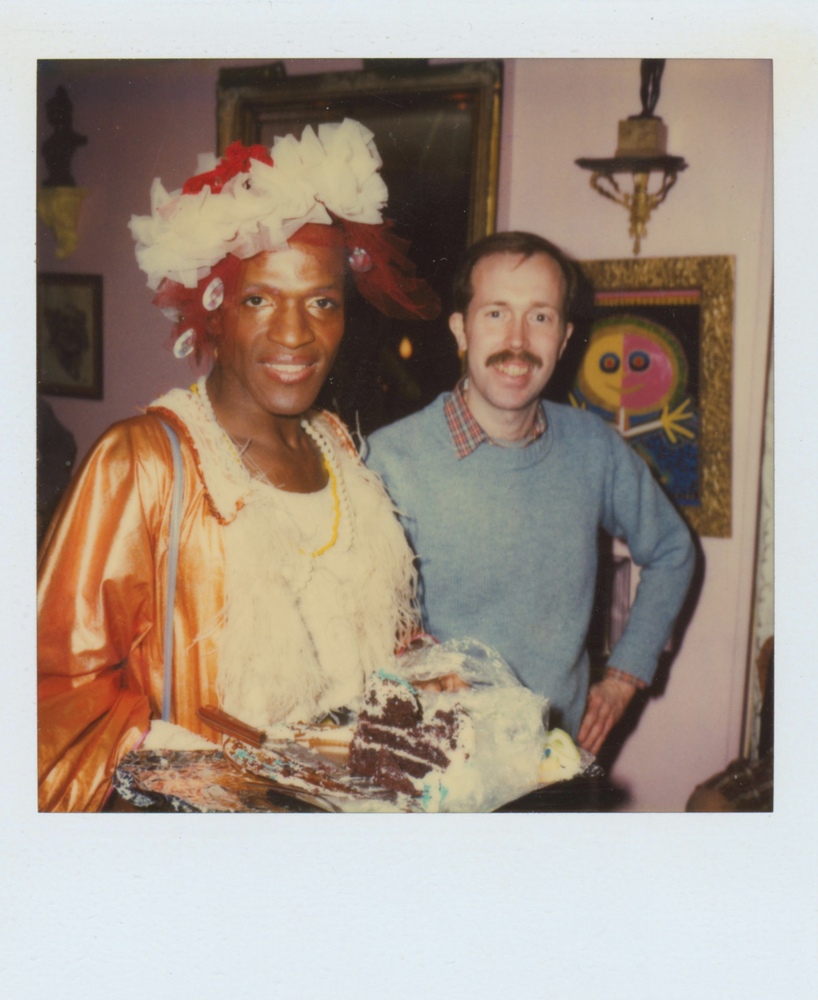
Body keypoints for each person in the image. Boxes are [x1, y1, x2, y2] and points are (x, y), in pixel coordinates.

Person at [37, 120, 440, 812]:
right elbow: (48, 692)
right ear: (213, 315)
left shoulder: (339, 450)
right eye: (259, 299)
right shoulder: (141, 463)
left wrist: (419, 680)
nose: (294, 333)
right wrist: (185, 765)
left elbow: (362, 638)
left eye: (322, 302)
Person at [365, 231, 695, 754]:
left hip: (556, 769)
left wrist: (624, 676)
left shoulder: (594, 448)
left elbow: (674, 551)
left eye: (539, 317)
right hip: (438, 776)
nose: (517, 341)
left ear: (564, 339)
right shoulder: (388, 462)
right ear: (461, 330)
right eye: (496, 313)